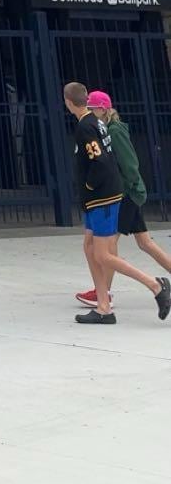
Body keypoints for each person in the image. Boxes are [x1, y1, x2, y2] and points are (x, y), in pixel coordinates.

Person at [64, 81, 170, 324]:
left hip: (104, 196)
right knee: (92, 247)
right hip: (101, 197)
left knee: (104, 253)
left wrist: (90, 186)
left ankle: (155, 286)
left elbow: (102, 161)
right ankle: (103, 307)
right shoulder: (97, 123)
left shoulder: (87, 127)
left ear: (68, 102)